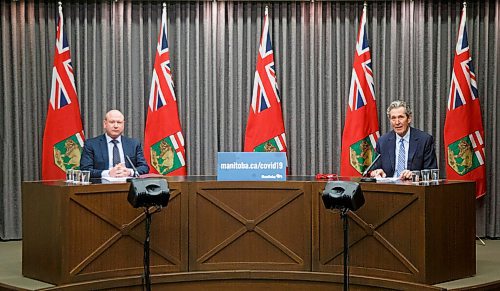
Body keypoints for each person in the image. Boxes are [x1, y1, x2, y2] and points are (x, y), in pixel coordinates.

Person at [370, 100, 437, 180]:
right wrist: (376, 172)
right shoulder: (382, 142)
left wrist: (415, 175)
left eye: (401, 117)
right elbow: (374, 169)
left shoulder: (424, 140)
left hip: (414, 188)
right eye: (393, 118)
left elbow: (431, 173)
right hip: (389, 189)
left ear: (409, 119)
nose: (397, 122)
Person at [80, 110, 149, 178]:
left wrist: (129, 172)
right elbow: (85, 170)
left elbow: (144, 167)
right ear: (105, 124)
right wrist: (108, 173)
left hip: (129, 186)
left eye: (119, 122)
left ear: (123, 124)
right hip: (102, 187)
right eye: (112, 122)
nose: (116, 126)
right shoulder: (91, 144)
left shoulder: (133, 144)